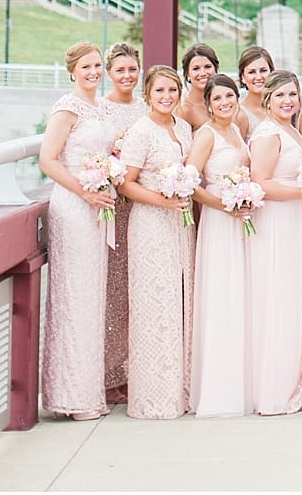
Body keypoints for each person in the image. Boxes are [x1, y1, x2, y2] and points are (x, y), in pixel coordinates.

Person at [36, 43, 119, 421]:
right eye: (86, 66)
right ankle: (71, 396)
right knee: (74, 298)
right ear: (72, 71)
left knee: (91, 299)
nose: (93, 71)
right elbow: (47, 160)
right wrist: (84, 190)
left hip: (98, 208)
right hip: (73, 208)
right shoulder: (66, 108)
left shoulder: (101, 106)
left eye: (98, 65)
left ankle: (88, 391)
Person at [117, 66, 195, 421]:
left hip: (181, 224)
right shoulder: (141, 131)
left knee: (180, 302)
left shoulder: (183, 128)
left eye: (172, 90)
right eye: (160, 91)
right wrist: (163, 201)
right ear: (148, 95)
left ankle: (181, 388)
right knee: (155, 306)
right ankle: (154, 397)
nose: (167, 96)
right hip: (151, 224)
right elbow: (125, 184)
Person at [245, 69, 302, 415]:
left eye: (293, 94)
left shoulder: (292, 130)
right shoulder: (268, 133)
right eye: (281, 96)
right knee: (277, 296)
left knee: (294, 297)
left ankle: (292, 377)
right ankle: (273, 388)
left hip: (297, 219)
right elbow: (260, 182)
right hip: (277, 221)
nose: (288, 101)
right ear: (268, 99)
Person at [184, 74, 250, 417]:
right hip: (218, 220)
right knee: (220, 295)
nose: (225, 102)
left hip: (239, 220)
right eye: (218, 98)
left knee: (238, 296)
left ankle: (239, 380)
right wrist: (222, 204)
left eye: (230, 96)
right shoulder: (206, 135)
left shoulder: (236, 131)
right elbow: (190, 183)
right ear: (208, 103)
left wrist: (244, 197)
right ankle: (217, 388)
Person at [100, 41, 143, 405]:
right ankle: (107, 373)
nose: (127, 76)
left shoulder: (147, 108)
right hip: (116, 208)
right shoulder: (102, 110)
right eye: (120, 71)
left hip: (144, 209)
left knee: (137, 293)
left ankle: (132, 370)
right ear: (110, 74)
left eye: (132, 70)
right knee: (114, 293)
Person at [178, 42, 220, 133]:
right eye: (196, 68)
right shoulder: (184, 110)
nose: (203, 73)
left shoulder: (225, 101)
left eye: (207, 67)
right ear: (187, 74)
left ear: (215, 69)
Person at [234, 44, 274, 137]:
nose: (258, 77)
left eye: (263, 70)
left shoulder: (281, 106)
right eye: (251, 72)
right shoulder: (239, 115)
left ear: (271, 72)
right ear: (243, 77)